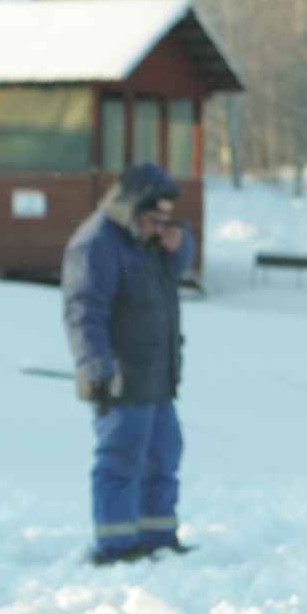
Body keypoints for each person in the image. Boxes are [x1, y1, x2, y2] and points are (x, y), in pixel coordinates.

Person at [61, 161, 195, 564]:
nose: (160, 229)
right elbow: (84, 313)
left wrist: (180, 244)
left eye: (166, 222)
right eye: (155, 220)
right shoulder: (97, 244)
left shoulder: (146, 243)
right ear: (133, 209)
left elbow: (176, 269)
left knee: (164, 456)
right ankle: (116, 545)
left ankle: (157, 537)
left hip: (156, 377)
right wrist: (95, 370)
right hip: (120, 379)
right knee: (120, 461)